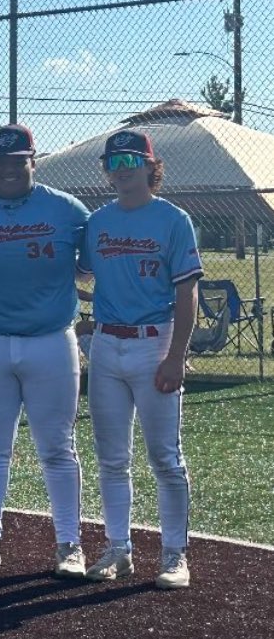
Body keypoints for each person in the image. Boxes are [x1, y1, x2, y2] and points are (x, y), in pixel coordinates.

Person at [0, 124, 90, 578]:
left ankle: (70, 543)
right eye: (0, 161)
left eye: (18, 161)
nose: (9, 169)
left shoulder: (67, 210)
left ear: (33, 161)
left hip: (50, 341)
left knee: (57, 448)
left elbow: (89, 269)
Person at [78, 130, 200, 589]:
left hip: (156, 342)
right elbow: (77, 275)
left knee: (165, 458)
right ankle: (118, 548)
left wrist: (175, 356)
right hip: (108, 345)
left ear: (152, 165)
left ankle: (174, 554)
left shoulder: (173, 219)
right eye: (115, 160)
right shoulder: (97, 222)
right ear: (107, 169)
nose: (124, 166)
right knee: (112, 459)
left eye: (133, 158)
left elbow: (187, 291)